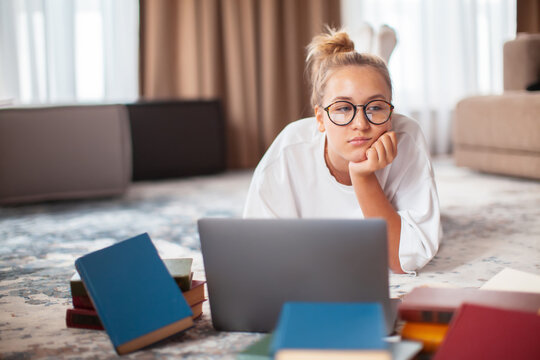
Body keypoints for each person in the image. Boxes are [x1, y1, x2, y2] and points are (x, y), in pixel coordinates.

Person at [243, 27, 441, 274]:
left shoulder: (407, 137)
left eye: (376, 107)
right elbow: (260, 254)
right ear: (320, 119)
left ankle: (373, 55)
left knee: (438, 220)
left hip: (390, 209)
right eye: (343, 109)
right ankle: (372, 53)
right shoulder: (289, 151)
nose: (361, 124)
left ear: (391, 115)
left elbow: (404, 261)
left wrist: (362, 176)